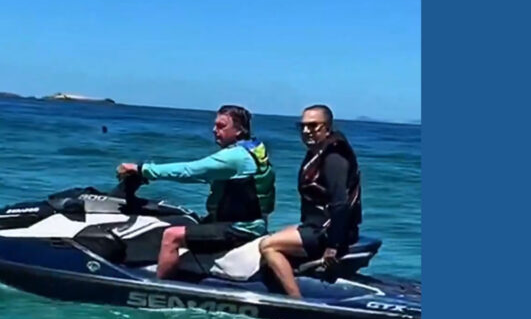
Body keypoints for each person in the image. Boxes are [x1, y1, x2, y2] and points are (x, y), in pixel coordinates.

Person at [116, 105, 276, 279]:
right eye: (215, 125)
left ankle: (160, 289)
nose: (214, 130)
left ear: (238, 130)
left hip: (240, 228)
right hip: (249, 223)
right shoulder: (253, 149)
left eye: (221, 126)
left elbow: (189, 171)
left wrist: (141, 170)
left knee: (172, 236)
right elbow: (207, 175)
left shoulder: (235, 157)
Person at [258, 104, 362, 298]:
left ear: (327, 128)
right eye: (302, 126)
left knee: (268, 246)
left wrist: (333, 246)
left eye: (313, 126)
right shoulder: (317, 152)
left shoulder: (334, 158)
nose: (306, 131)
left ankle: (296, 300)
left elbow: (341, 205)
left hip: (329, 233)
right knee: (273, 235)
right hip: (316, 226)